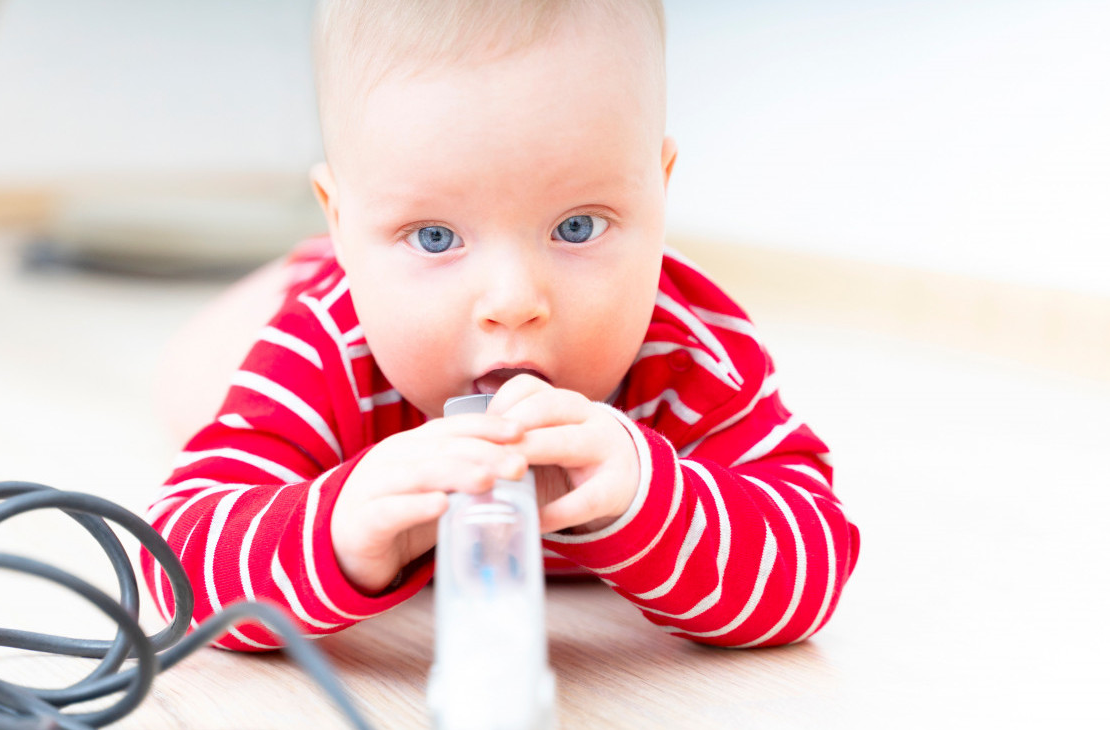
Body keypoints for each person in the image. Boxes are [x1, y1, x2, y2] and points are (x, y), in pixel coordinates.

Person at [141, 0, 859, 651]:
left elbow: (813, 551)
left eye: (577, 226)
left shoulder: (686, 351)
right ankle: (308, 264)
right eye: (433, 236)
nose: (513, 301)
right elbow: (177, 565)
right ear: (343, 218)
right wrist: (336, 527)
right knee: (191, 383)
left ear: (659, 194)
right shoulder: (327, 344)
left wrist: (653, 495)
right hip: (310, 301)